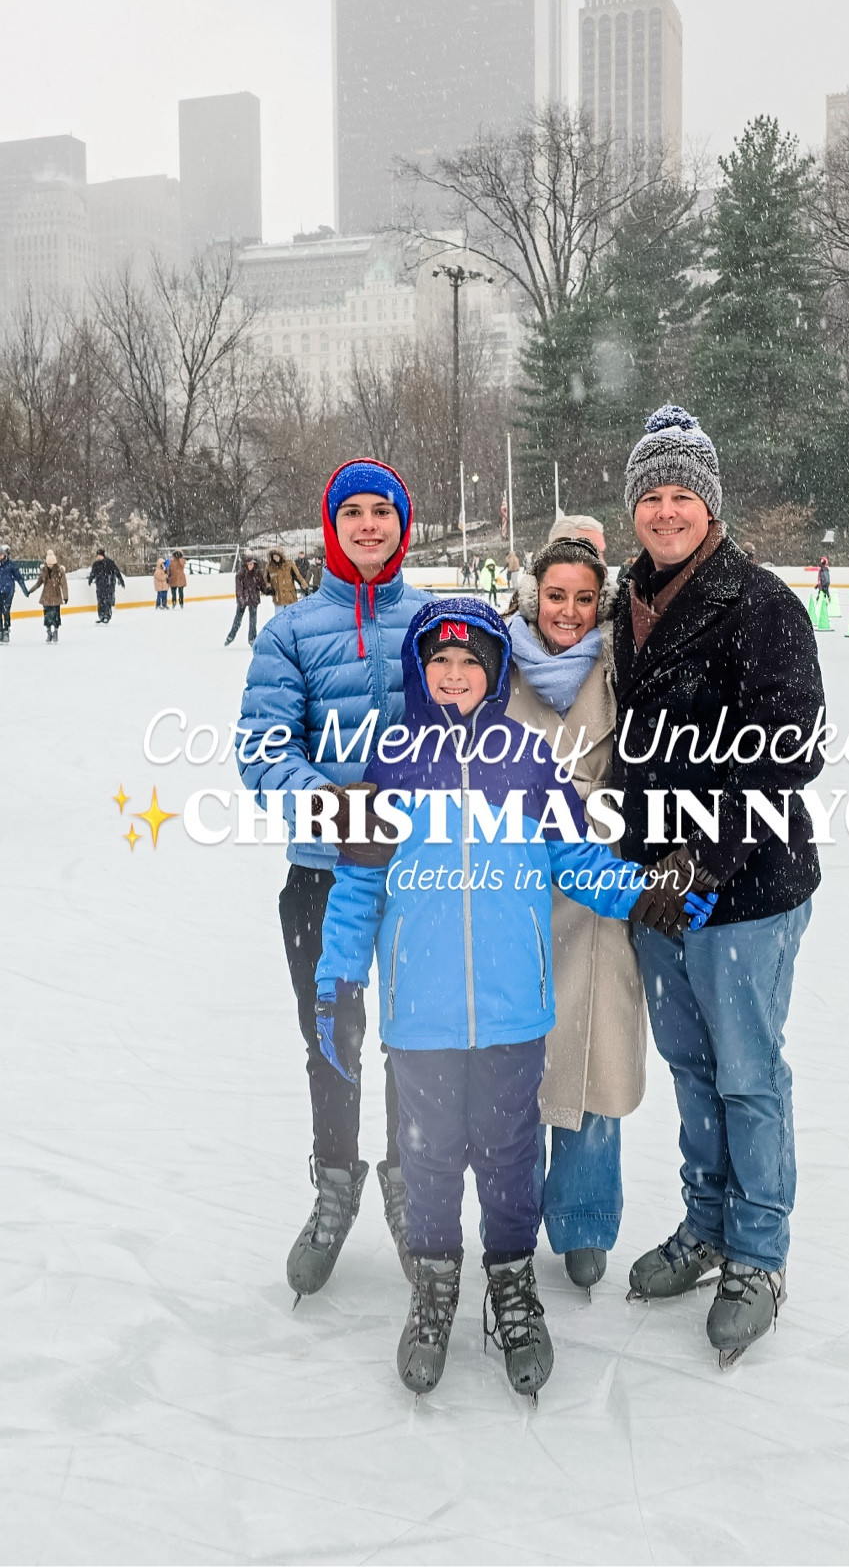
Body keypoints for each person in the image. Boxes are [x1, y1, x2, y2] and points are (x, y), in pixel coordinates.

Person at [313, 597, 656, 1399]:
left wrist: (645, 892)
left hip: (512, 1012)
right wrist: (339, 982)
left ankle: (510, 1282)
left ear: (498, 671)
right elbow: (358, 887)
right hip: (421, 1018)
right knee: (428, 1154)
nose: (456, 675)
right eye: (441, 662)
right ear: (419, 670)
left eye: (472, 663)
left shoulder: (530, 760)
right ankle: (434, 1285)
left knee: (508, 1158)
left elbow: (577, 860)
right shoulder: (389, 760)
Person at [610, 403, 825, 1369]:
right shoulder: (628, 598)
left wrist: (699, 859)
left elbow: (790, 752)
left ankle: (759, 1254)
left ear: (711, 506)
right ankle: (706, 1226)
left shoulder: (761, 603)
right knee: (693, 1070)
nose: (665, 511)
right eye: (651, 496)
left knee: (746, 1072)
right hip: (651, 890)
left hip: (744, 890)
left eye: (681, 496)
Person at [237, 460, 428, 1300]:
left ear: (401, 524)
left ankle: (409, 1190)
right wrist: (328, 804)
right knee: (332, 1039)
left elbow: (480, 723)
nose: (366, 524)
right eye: (350, 512)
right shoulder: (291, 632)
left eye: (380, 511)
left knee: (419, 1042)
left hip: (424, 876)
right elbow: (263, 748)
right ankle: (336, 1186)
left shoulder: (435, 620)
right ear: (330, 527)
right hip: (323, 877)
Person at [505, 534, 646, 1292]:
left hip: (599, 880)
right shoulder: (498, 661)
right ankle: (515, 1214)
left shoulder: (619, 663)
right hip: (518, 881)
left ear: (602, 603)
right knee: (517, 1061)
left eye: (584, 598)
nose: (568, 611)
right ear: (534, 596)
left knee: (596, 1054)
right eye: (555, 595)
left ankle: (587, 1218)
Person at [224, 553, 264, 647]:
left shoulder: (257, 573)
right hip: (244, 600)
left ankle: (252, 639)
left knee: (253, 620)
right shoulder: (240, 574)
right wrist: (241, 600)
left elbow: (261, 585)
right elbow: (239, 589)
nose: (251, 566)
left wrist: (268, 590)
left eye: (252, 564)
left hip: (253, 599)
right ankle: (231, 636)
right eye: (249, 564)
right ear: (245, 564)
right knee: (238, 619)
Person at [29, 549, 68, 642]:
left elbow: (64, 584)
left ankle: (55, 632)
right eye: (48, 564)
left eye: (51, 564)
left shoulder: (60, 571)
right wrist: (30, 590)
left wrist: (65, 596)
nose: (50, 566)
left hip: (56, 596)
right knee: (47, 616)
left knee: (56, 616)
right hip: (46, 597)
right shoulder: (44, 571)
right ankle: (49, 632)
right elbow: (38, 583)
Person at [264, 546, 309, 612]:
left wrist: (304, 586)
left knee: (290, 617)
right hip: (278, 597)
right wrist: (269, 587)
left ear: (281, 556)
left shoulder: (289, 564)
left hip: (289, 596)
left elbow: (298, 576)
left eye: (277, 556)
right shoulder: (270, 567)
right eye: (273, 556)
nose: (275, 558)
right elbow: (266, 579)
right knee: (279, 618)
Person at [0, 543, 29, 642]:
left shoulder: (11, 565)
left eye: (1, 555)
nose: (0, 557)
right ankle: (0, 631)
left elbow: (19, 578)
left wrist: (24, 589)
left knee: (6, 611)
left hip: (8, 592)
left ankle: (6, 630)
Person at [88, 548, 125, 623]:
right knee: (100, 601)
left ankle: (107, 616)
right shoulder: (96, 564)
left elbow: (116, 571)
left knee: (107, 601)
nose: (98, 557)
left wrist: (120, 579)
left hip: (108, 585)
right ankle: (101, 616)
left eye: (99, 555)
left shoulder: (109, 563)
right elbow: (93, 573)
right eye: (97, 555)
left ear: (102, 555)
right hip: (99, 586)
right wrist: (90, 579)